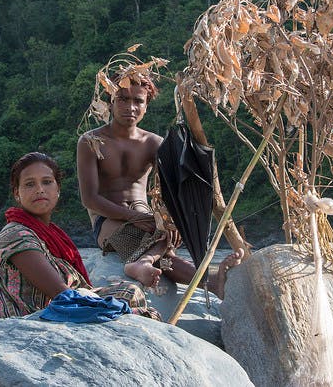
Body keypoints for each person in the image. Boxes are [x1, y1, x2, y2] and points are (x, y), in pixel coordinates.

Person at [77, 69, 243, 299]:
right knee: (153, 241)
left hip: (146, 216)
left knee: (166, 243)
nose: (130, 107)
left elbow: (175, 190)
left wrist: (171, 222)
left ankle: (158, 266)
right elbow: (90, 199)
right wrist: (135, 217)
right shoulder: (91, 141)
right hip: (108, 220)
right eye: (123, 99)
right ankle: (211, 280)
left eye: (138, 101)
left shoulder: (153, 143)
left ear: (146, 106)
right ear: (111, 100)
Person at [0, 152, 160, 320]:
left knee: (129, 292)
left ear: (58, 189)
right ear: (17, 193)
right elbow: (62, 295)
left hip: (59, 308)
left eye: (47, 182)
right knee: (137, 305)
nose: (40, 190)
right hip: (32, 322)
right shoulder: (16, 235)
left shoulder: (52, 234)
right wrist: (128, 312)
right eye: (30, 184)